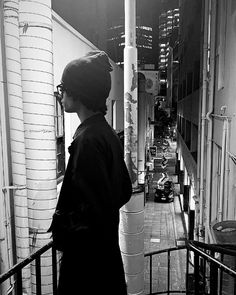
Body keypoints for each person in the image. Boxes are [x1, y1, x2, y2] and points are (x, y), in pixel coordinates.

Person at [48, 51, 132, 295]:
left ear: (79, 92)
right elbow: (123, 191)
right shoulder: (106, 133)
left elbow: (89, 215)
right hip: (106, 262)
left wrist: (65, 230)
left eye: (63, 87)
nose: (60, 94)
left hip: (87, 271)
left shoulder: (88, 141)